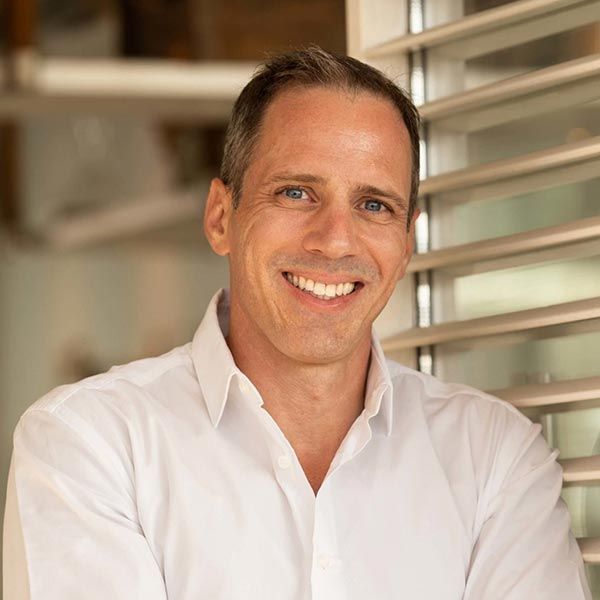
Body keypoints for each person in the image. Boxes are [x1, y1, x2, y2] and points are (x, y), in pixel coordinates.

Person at [3, 47, 591, 600]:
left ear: (407, 242)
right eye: (296, 193)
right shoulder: (90, 446)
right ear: (221, 217)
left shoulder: (495, 461)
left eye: (374, 205)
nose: (335, 240)